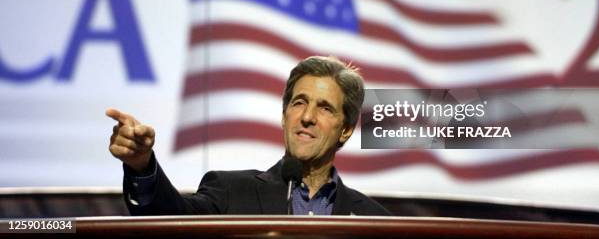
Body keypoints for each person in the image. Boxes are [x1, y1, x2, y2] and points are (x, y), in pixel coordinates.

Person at [107, 55, 391, 216]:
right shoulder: (230, 192)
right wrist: (141, 165)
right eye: (299, 103)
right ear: (284, 115)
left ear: (346, 130)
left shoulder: (375, 218)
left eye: (324, 108)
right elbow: (169, 220)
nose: (307, 117)